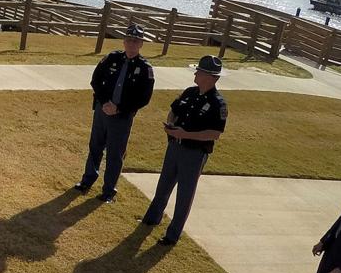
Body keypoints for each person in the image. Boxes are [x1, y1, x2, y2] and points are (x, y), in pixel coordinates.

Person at [140, 55, 228, 246]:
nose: (196, 73)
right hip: (175, 146)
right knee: (163, 185)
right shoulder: (189, 92)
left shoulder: (218, 104)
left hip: (194, 154)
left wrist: (185, 134)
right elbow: (174, 110)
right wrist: (171, 124)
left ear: (211, 77)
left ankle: (172, 235)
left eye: (200, 71)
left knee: (184, 195)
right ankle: (151, 218)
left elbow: (214, 133)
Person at [74, 22, 155, 204]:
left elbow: (144, 98)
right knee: (95, 147)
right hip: (102, 111)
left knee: (115, 153)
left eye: (136, 41)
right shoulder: (111, 58)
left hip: (122, 116)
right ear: (124, 41)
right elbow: (96, 80)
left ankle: (109, 190)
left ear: (141, 44)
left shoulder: (144, 69)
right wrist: (104, 102)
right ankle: (87, 181)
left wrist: (119, 108)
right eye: (129, 40)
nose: (131, 44)